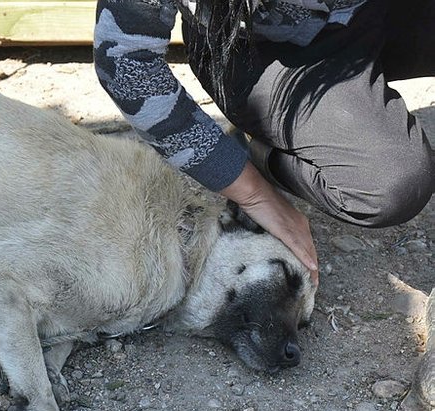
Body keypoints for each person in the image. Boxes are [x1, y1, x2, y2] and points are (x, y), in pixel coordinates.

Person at [94, 0, 435, 282]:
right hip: (264, 49)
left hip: (373, 11)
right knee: (390, 185)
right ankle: (259, 154)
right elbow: (126, 64)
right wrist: (253, 193)